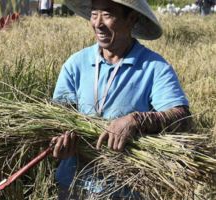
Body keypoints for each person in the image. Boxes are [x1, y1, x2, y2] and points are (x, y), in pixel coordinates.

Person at [51, 0, 192, 199]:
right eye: (94, 14)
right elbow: (58, 116)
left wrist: (136, 120)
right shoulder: (76, 64)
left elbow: (183, 119)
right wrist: (59, 141)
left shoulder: (154, 67)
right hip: (74, 185)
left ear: (132, 18)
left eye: (107, 14)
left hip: (125, 190)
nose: (98, 23)